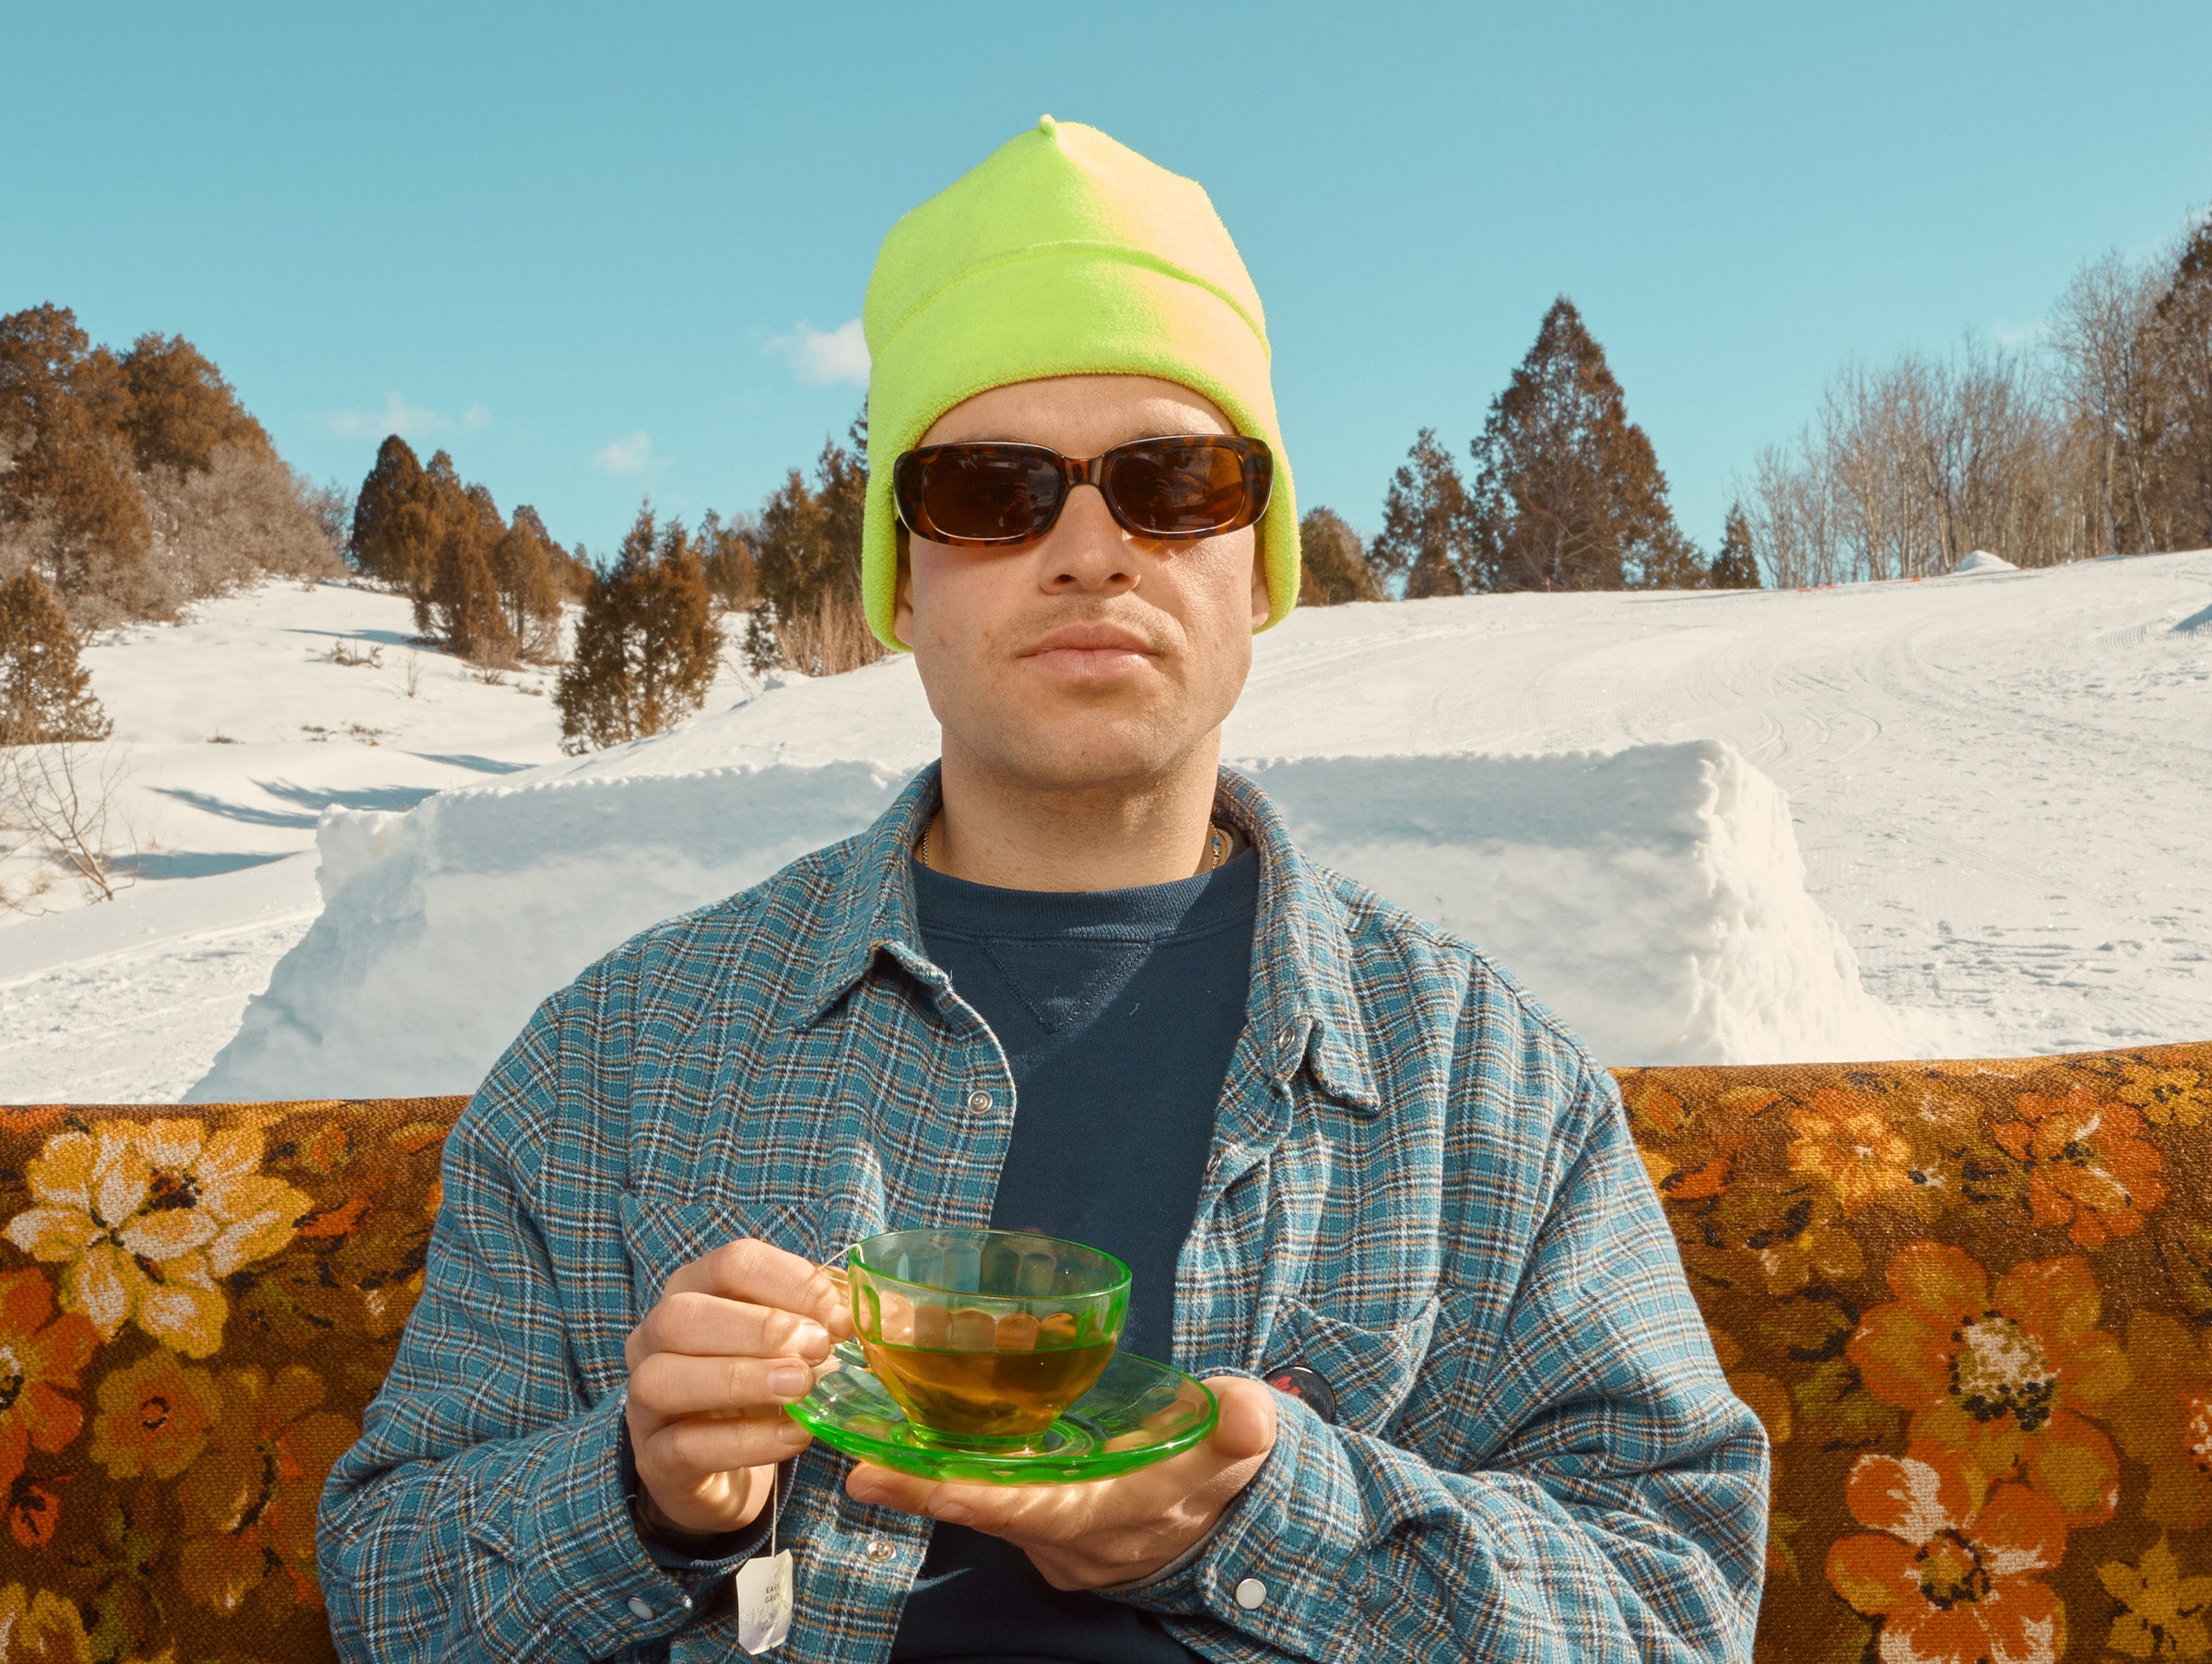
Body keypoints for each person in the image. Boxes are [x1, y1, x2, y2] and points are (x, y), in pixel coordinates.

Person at [319, 117, 1769, 1663]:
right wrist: (643, 1492)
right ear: (903, 575)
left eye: (1175, 478)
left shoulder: (1492, 1087)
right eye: (994, 489)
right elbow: (386, 1583)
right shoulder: (613, 1059)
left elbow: (1674, 1601)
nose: (1091, 548)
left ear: (1259, 563)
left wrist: (1265, 1520)